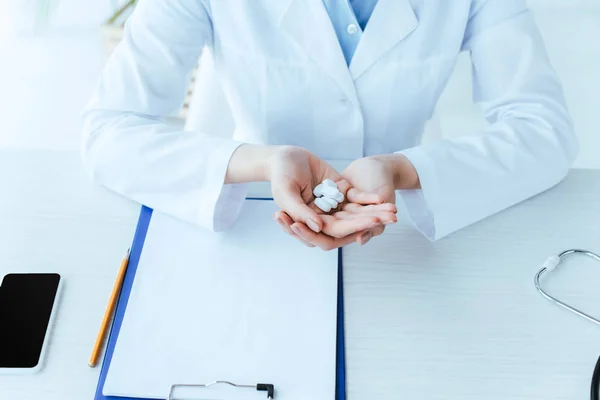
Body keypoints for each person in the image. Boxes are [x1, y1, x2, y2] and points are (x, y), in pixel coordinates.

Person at [81, 0, 578, 251]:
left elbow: (546, 132)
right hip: (253, 225)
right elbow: (108, 132)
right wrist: (265, 160)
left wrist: (402, 170)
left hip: (400, 234)